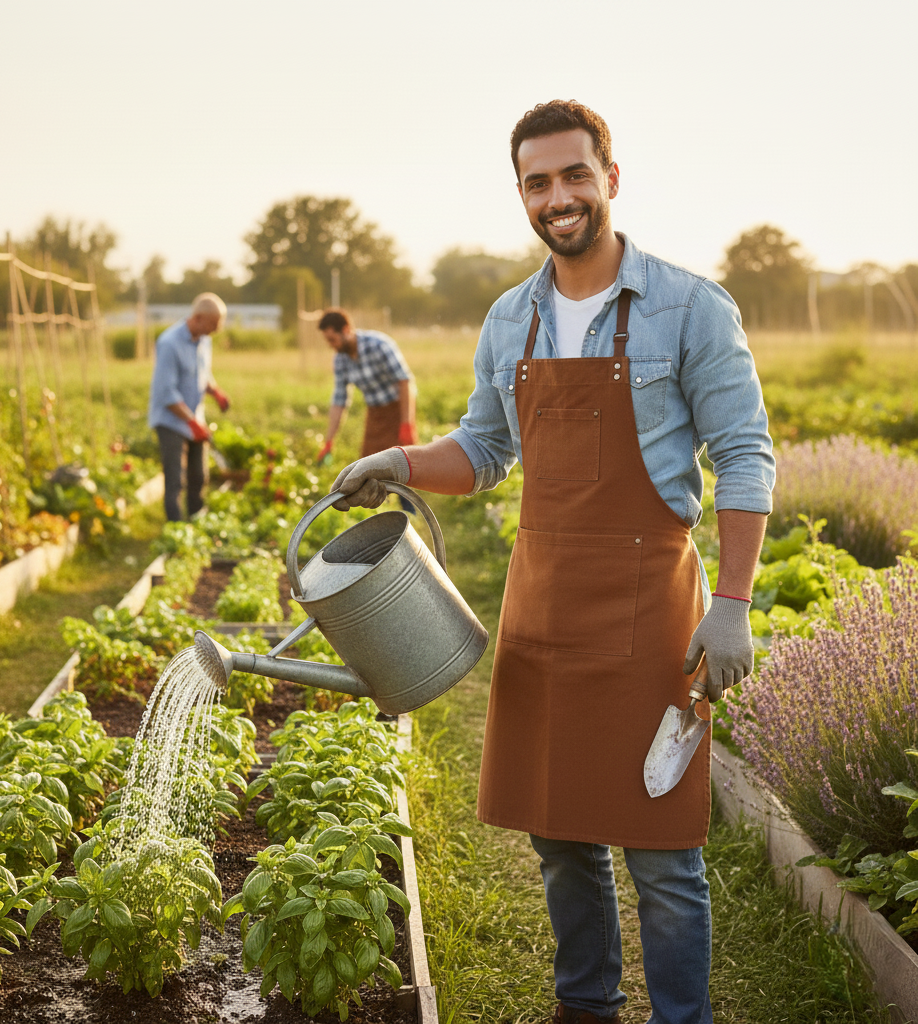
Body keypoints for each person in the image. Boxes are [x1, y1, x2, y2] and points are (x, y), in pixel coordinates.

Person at [327, 101, 775, 1024]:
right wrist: (400, 464)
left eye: (575, 176)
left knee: (660, 849)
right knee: (560, 835)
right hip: (545, 602)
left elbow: (744, 455)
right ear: (523, 196)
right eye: (538, 182)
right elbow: (485, 451)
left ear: (611, 179)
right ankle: (587, 1007)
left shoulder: (691, 307)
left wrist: (731, 602)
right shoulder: (511, 318)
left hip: (650, 598)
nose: (558, 198)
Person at [148, 292, 230, 522]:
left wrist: (215, 391)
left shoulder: (204, 340)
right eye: (213, 324)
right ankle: (174, 528)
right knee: (176, 479)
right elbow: (166, 393)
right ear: (198, 317)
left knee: (199, 476)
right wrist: (191, 422)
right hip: (171, 420)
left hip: (195, 417)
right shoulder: (169, 343)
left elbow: (202, 373)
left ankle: (196, 521)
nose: (216, 330)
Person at [316, 308, 418, 463]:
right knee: (369, 467)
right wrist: (329, 441)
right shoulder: (340, 359)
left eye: (332, 339)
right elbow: (339, 401)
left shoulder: (379, 345)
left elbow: (404, 382)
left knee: (400, 465)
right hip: (374, 415)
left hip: (398, 411)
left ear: (346, 330)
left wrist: (406, 423)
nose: (331, 345)